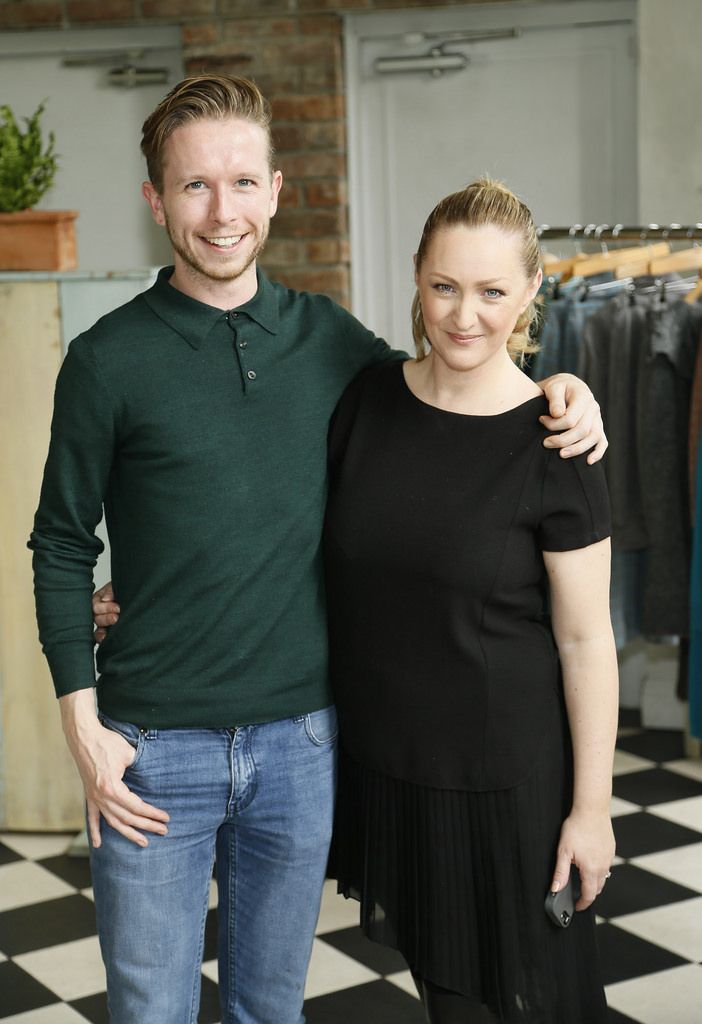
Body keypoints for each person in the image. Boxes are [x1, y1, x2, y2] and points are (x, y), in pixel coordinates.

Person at [30, 72, 605, 1024]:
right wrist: (82, 726)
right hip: (150, 747)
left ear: (278, 189)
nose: (223, 213)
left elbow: (454, 389)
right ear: (155, 199)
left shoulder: (333, 344)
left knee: (271, 1009)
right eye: (195, 186)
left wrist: (564, 387)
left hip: (302, 745)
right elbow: (58, 543)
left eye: (244, 182)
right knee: (149, 1010)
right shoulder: (105, 359)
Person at [323, 179, 618, 1023]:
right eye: (445, 286)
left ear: (531, 292)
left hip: (505, 787)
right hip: (390, 771)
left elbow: (587, 640)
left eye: (493, 292)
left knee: (522, 1006)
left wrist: (592, 811)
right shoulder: (366, 401)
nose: (464, 315)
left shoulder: (558, 440)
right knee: (445, 995)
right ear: (416, 276)